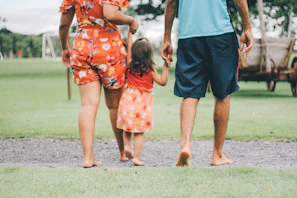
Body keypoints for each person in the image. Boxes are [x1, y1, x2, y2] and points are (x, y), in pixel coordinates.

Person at [161, 0, 254, 166]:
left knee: (190, 93)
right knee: (222, 94)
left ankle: (186, 144)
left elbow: (170, 2)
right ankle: (217, 154)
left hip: (188, 35)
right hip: (220, 33)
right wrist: (247, 27)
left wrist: (167, 37)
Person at [59, 0, 139, 168]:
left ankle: (88, 157)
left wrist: (65, 48)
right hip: (109, 49)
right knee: (114, 105)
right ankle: (123, 151)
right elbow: (110, 14)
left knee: (87, 104)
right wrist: (131, 20)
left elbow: (63, 25)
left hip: (82, 47)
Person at [116, 31, 169, 166]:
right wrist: (166, 66)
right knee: (139, 133)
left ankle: (126, 146)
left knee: (127, 128)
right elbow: (163, 82)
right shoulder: (150, 70)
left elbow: (128, 48)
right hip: (142, 108)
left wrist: (129, 33)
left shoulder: (129, 66)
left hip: (127, 103)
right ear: (149, 54)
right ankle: (136, 158)